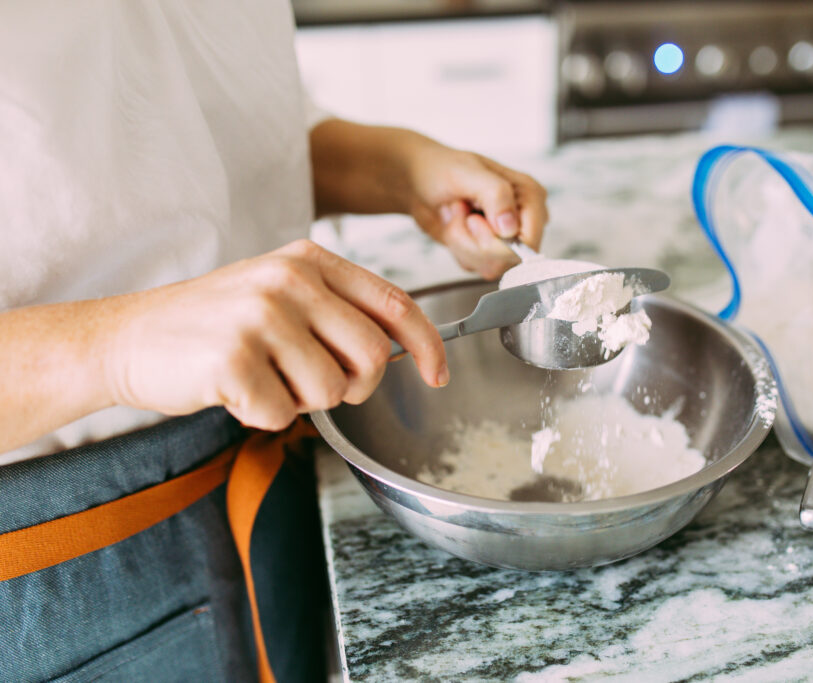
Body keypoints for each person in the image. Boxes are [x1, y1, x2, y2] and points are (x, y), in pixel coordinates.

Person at [0, 3, 547, 681]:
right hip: (66, 576)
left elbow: (180, 141)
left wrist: (397, 170)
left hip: (267, 474)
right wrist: (116, 343)